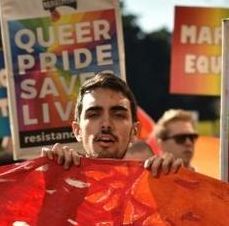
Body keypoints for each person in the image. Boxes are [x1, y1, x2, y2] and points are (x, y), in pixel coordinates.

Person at [42, 73, 180, 176]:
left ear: (134, 131)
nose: (106, 124)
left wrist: (170, 190)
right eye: (94, 115)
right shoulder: (55, 177)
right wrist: (48, 182)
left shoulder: (162, 179)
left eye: (118, 115)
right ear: (77, 130)